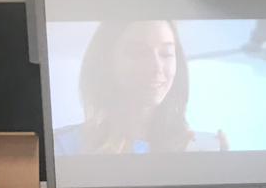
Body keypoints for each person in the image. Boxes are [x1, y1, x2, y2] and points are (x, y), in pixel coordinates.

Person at [52, 19, 227, 155]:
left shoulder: (201, 148)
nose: (156, 67)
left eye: (166, 53)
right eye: (138, 53)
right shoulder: (61, 148)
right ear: (106, 62)